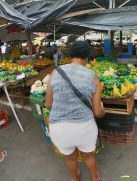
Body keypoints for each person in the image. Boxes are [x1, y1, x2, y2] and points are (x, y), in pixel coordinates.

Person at [45, 41, 105, 181]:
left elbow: (48, 105)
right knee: (89, 156)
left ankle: (75, 177)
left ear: (70, 55)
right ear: (87, 57)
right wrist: (103, 112)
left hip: (59, 128)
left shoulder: (56, 71)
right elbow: (97, 112)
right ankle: (95, 177)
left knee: (70, 159)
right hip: (84, 127)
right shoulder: (92, 75)